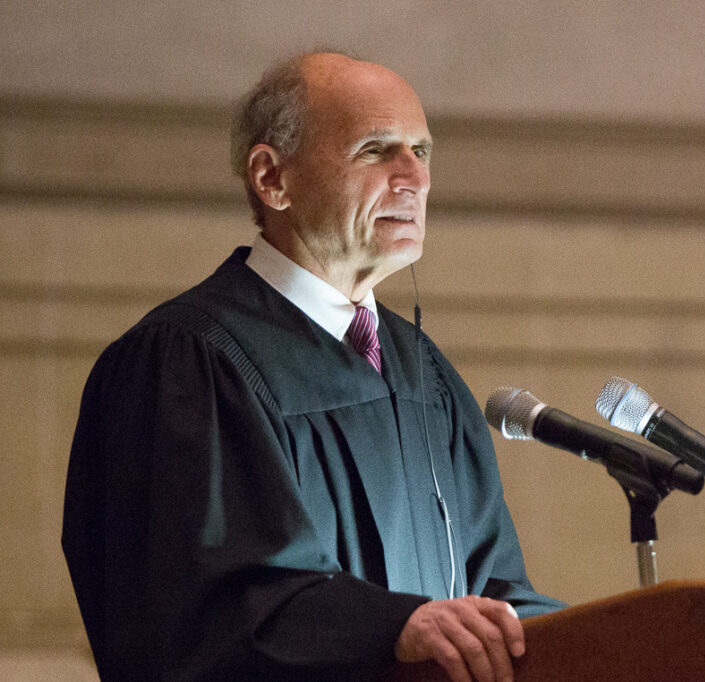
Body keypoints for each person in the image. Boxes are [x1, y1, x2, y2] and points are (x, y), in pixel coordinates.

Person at [61, 51, 563, 682]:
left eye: (422, 151)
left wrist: (618, 640)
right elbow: (197, 613)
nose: (413, 177)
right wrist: (392, 628)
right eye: (377, 149)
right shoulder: (183, 363)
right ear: (273, 179)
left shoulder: (424, 375)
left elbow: (497, 596)